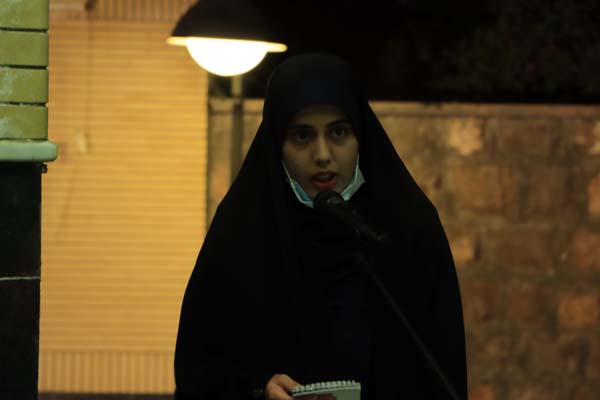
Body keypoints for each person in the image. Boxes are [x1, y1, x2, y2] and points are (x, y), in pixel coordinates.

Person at [174, 53, 467, 400]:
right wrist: (259, 389)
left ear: (361, 136)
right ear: (277, 146)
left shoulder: (407, 228)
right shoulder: (241, 234)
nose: (323, 154)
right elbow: (199, 371)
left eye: (338, 132)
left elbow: (441, 363)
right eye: (302, 136)